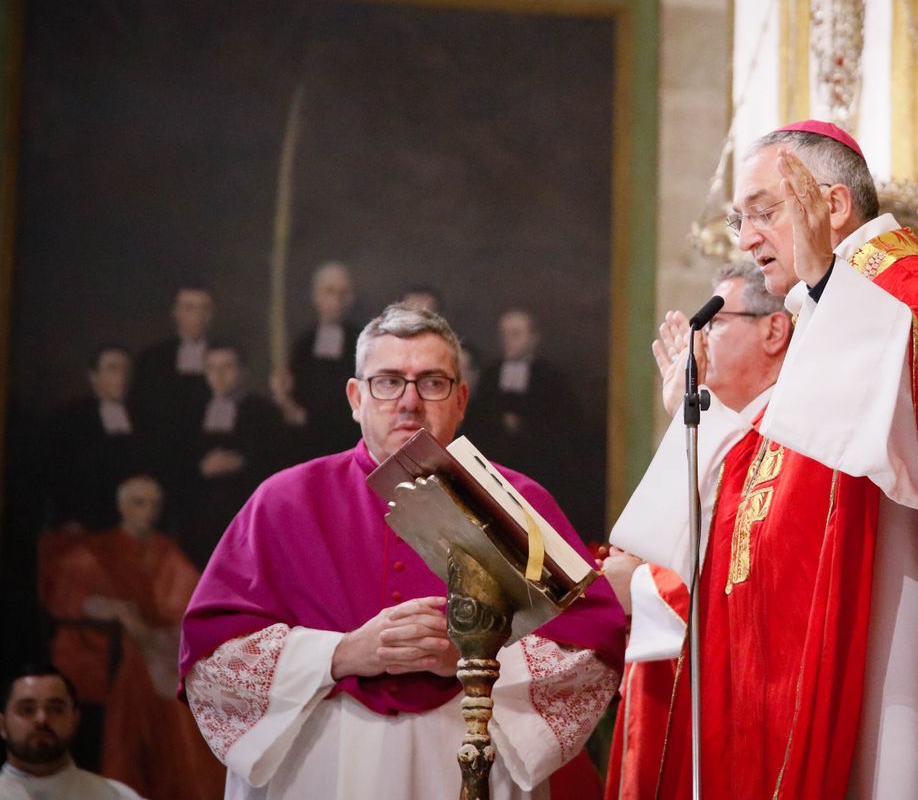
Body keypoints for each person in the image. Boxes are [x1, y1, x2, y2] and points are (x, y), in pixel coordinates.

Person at [613, 123, 918, 799]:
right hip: (815, 646)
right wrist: (700, 419)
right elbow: (775, 469)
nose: (746, 239)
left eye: (763, 212)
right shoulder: (826, 304)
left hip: (895, 637)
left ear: (832, 206)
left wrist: (824, 286)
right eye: (738, 218)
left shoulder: (909, 293)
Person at [178, 303, 626, 799]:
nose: (408, 401)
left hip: (469, 753)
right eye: (388, 381)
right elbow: (212, 659)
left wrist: (473, 658)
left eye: (431, 383)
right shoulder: (283, 501)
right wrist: (343, 653)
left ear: (460, 399)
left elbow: (589, 645)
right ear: (355, 397)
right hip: (321, 764)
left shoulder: (517, 506)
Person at [604, 262, 791, 800]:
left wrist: (638, 586)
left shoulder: (784, 433)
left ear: (774, 330)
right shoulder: (732, 426)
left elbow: (748, 569)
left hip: (747, 693)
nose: (699, 344)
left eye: (715, 323)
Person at [35, 476, 221, 800]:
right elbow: (69, 593)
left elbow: (190, 598)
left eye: (154, 505)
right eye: (139, 503)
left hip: (158, 645)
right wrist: (108, 609)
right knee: (145, 672)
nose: (148, 512)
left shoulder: (164, 548)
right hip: (111, 649)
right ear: (122, 506)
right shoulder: (96, 549)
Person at [472, 310, 592, 535]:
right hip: (497, 468)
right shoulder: (490, 375)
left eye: (516, 334)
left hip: (540, 468)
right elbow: (480, 418)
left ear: (533, 338)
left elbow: (563, 425)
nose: (508, 340)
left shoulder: (551, 378)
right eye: (504, 334)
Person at [184, 343, 287, 564]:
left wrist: (243, 462)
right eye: (212, 368)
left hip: (246, 508)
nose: (219, 376)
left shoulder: (264, 411)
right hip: (202, 513)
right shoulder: (191, 411)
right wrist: (200, 468)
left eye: (227, 367)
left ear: (242, 371)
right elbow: (179, 459)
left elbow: (279, 460)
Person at [43, 346, 151, 531]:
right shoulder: (70, 418)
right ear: (94, 376)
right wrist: (67, 518)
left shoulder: (144, 418)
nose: (121, 377)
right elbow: (57, 474)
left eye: (125, 370)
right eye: (113, 369)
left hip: (133, 526)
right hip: (84, 521)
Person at [0, 665, 144, 800]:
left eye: (55, 709)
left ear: (74, 721)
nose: (42, 719)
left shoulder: (117, 796)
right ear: (2, 725)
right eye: (27, 710)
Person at [278, 262, 360, 462]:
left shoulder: (361, 341)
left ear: (351, 298)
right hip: (307, 445)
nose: (337, 300)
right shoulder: (303, 345)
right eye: (330, 292)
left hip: (347, 439)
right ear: (316, 296)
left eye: (343, 293)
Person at [130, 284, 214, 445]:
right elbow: (140, 409)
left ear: (211, 314)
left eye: (204, 308)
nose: (198, 316)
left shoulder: (225, 357)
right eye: (189, 308)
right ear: (176, 313)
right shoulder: (152, 357)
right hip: (162, 444)